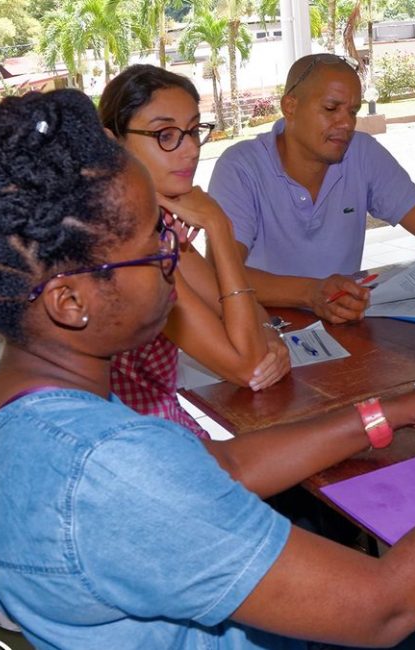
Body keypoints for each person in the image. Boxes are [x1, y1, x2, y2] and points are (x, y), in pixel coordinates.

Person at [0, 89, 415, 648]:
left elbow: (221, 467)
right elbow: (383, 606)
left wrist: (397, 408)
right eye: (155, 247)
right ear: (70, 301)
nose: (172, 260)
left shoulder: (6, 402)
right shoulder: (110, 468)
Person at [208, 54, 415, 324]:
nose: (346, 123)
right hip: (263, 329)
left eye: (353, 111)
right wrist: (310, 292)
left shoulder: (361, 153)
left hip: (343, 326)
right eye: (331, 108)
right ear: (290, 106)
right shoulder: (241, 168)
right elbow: (220, 273)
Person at [97, 65, 289, 437]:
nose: (190, 150)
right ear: (111, 143)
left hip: (160, 427)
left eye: (193, 130)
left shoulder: (156, 218)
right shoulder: (124, 241)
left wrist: (269, 333)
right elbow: (247, 366)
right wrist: (219, 226)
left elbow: (235, 305)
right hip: (128, 443)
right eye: (165, 135)